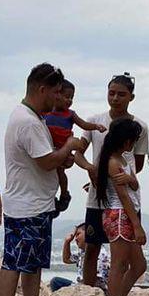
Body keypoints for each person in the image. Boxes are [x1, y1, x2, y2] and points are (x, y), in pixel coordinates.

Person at [0, 63, 78, 296]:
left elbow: (45, 158)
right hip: (29, 205)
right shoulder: (28, 121)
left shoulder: (31, 117)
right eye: (55, 92)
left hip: (31, 203)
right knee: (20, 264)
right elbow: (46, 162)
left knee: (25, 264)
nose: (58, 99)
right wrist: (69, 147)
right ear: (41, 89)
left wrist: (60, 155)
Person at [83, 74, 149, 289]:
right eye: (111, 93)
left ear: (131, 96)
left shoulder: (137, 129)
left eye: (121, 94)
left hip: (126, 208)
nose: (115, 98)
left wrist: (131, 179)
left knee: (136, 264)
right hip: (118, 211)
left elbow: (136, 172)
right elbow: (78, 152)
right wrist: (92, 170)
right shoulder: (96, 124)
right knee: (102, 253)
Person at [89, 117, 147, 296]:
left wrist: (130, 179)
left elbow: (134, 186)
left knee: (139, 265)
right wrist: (137, 225)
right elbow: (123, 196)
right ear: (127, 140)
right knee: (119, 264)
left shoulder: (122, 159)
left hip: (125, 214)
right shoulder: (112, 163)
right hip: (120, 215)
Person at [43, 81, 102, 212]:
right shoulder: (45, 113)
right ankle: (51, 198)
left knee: (60, 172)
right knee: (50, 173)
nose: (69, 100)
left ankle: (64, 194)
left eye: (72, 97)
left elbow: (83, 124)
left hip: (64, 150)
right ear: (56, 95)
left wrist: (96, 127)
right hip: (48, 149)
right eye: (66, 96)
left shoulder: (70, 114)